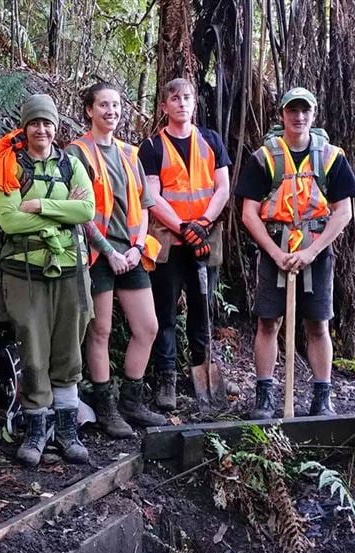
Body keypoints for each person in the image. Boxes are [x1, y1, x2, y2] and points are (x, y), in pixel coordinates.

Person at [237, 87, 355, 418]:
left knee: (318, 323)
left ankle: (322, 396)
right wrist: (276, 254)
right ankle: (264, 395)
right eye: (292, 110)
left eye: (305, 110)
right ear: (282, 115)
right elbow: (248, 213)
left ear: (313, 114)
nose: (298, 116)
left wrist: (313, 251)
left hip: (316, 252)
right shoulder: (264, 158)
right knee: (268, 322)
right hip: (274, 248)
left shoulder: (332, 157)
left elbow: (343, 212)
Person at [0, 94, 95, 466]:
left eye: (47, 123)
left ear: (56, 126)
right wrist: (60, 217)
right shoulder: (7, 166)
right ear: (25, 126)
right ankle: (36, 429)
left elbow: (87, 209)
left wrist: (38, 205)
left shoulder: (70, 164)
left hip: (70, 269)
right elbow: (8, 221)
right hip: (23, 271)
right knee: (32, 351)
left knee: (68, 349)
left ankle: (67, 430)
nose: (42, 129)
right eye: (35, 123)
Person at [67, 82, 165, 437]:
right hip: (97, 255)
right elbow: (79, 211)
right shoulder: (76, 152)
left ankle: (131, 400)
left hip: (131, 252)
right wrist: (108, 252)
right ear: (89, 110)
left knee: (147, 327)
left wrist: (137, 248)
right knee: (101, 330)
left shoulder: (130, 153)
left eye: (116, 105)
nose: (111, 111)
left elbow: (143, 206)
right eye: (103, 105)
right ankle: (105, 407)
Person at [139, 78, 232, 410]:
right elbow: (151, 195)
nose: (182, 103)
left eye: (187, 98)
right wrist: (182, 227)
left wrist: (203, 223)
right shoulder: (152, 147)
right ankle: (166, 378)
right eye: (175, 98)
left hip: (206, 238)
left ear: (195, 104)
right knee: (164, 311)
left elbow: (222, 187)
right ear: (164, 106)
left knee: (202, 306)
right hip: (168, 240)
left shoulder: (211, 141)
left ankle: (202, 367)